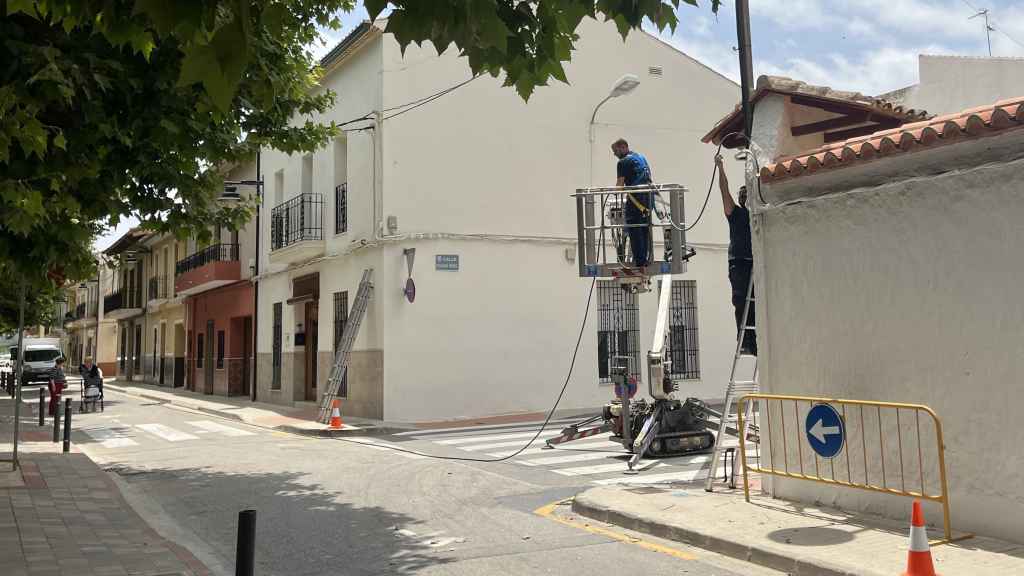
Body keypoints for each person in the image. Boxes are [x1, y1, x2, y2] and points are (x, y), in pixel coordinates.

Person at [717, 154, 757, 355]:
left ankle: (755, 341)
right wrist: (721, 168)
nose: (742, 197)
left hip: (755, 263)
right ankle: (744, 341)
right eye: (740, 194)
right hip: (739, 264)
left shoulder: (758, 215)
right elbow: (724, 191)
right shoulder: (735, 213)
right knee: (741, 301)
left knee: (756, 304)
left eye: (745, 194)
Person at [612, 138, 654, 268]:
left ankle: (640, 261)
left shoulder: (623, 162)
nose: (615, 154)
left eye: (615, 151)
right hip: (648, 198)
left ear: (623, 147)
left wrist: (614, 193)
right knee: (644, 227)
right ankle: (645, 259)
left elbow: (619, 185)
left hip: (636, 199)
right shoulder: (641, 157)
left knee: (634, 227)